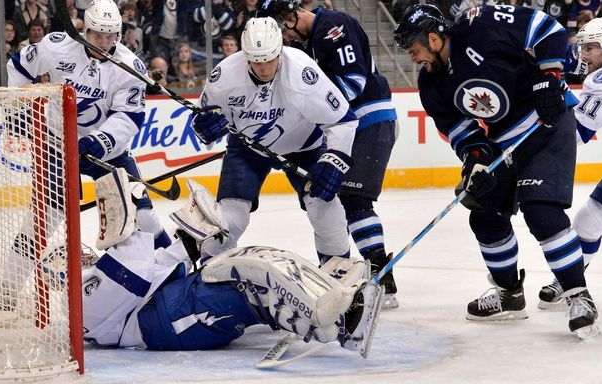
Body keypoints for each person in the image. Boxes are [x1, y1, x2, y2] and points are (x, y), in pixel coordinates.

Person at [393, 4, 598, 338]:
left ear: (432, 38)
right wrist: (476, 160)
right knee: (484, 213)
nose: (414, 59)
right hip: (506, 146)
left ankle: (579, 296)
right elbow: (462, 133)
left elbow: (547, 28)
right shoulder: (430, 85)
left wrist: (550, 75)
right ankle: (509, 294)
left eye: (415, 50)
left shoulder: (480, 24)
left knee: (540, 211)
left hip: (547, 125)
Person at [81, 172, 383, 357]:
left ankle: (331, 297)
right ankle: (343, 327)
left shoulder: (89, 284)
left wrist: (180, 235)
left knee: (255, 258)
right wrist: (130, 225)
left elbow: (153, 270)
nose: (84, 256)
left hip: (169, 305)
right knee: (251, 284)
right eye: (75, 258)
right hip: (165, 321)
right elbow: (133, 276)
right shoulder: (81, 299)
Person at [1, 0, 172, 307]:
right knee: (42, 219)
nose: (104, 43)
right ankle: (8, 291)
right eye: (97, 36)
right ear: (86, 29)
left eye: (111, 36)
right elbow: (18, 65)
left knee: (143, 216)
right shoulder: (57, 47)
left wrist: (99, 141)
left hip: (106, 151)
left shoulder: (130, 66)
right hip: (57, 144)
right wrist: (21, 107)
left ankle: (173, 275)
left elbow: (129, 116)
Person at [257, 0, 400, 308]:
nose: (284, 39)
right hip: (347, 125)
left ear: (291, 16)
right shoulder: (308, 46)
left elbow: (352, 82)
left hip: (368, 118)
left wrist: (305, 109)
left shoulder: (333, 25)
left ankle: (381, 279)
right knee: (335, 198)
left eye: (281, 29)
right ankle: (354, 273)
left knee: (354, 198)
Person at [191, 17, 358, 266]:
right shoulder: (223, 76)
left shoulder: (303, 71)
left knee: (325, 208)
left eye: (270, 58)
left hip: (305, 148)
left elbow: (343, 120)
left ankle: (339, 271)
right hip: (247, 149)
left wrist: (334, 160)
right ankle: (209, 275)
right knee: (231, 217)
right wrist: (205, 129)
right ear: (245, 54)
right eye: (257, 61)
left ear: (280, 49)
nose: (265, 68)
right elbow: (203, 123)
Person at [538, 16, 602, 309]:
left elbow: (575, 135)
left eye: (590, 49)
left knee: (588, 222)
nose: (583, 55)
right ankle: (570, 280)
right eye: (583, 48)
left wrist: (555, 93)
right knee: (588, 222)